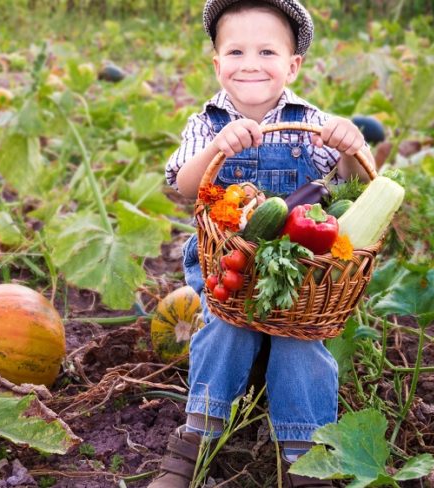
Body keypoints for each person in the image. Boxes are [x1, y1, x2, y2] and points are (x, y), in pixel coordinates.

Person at [154, 1, 375, 486]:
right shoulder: (206, 123)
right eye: (236, 50)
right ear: (216, 62)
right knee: (223, 332)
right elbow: (185, 186)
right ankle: (197, 438)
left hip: (299, 277)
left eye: (267, 51)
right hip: (226, 270)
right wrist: (219, 147)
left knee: (302, 347)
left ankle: (307, 457)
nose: (250, 63)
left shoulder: (312, 123)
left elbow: (354, 189)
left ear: (292, 64)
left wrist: (351, 146)